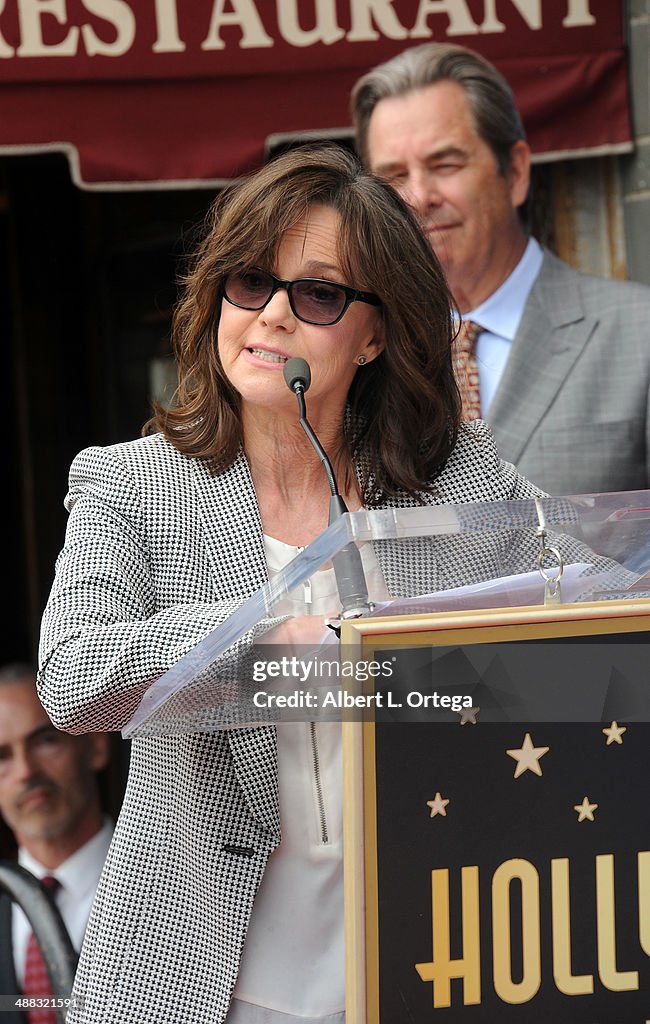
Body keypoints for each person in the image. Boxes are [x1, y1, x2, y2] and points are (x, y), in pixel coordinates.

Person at [37, 145, 623, 1024]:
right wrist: (267, 626)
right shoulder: (132, 485)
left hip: (423, 976)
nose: (271, 316)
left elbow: (609, 595)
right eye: (249, 283)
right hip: (202, 986)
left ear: (376, 333)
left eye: (317, 296)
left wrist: (498, 663)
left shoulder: (455, 483)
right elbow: (73, 682)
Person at [351, 42, 650, 496]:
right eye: (393, 176)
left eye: (445, 164)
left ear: (514, 172)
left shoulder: (638, 330)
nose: (420, 196)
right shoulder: (360, 349)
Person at [0, 663, 112, 1019]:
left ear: (95, 745)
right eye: (1, 757)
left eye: (46, 740)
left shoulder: (177, 887)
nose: (26, 771)